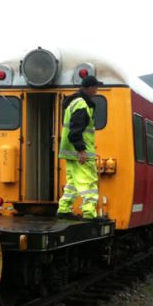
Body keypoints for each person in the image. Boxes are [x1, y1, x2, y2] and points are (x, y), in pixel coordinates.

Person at [57, 75, 103, 220]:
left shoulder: (74, 102)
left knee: (72, 183)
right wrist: (81, 150)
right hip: (80, 152)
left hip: (70, 152)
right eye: (95, 87)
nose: (97, 90)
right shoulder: (82, 105)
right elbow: (75, 130)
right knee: (88, 182)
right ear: (89, 88)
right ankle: (89, 213)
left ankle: (64, 209)